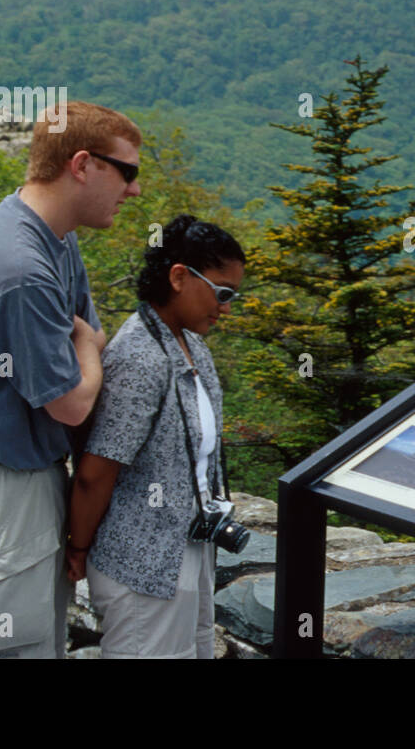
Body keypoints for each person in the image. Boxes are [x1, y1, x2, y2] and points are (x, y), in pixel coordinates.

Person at [0, 99, 143, 659]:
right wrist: (86, 348)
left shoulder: (54, 238)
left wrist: (83, 345)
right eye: (129, 172)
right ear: (82, 165)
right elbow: (72, 401)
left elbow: (84, 333)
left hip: (24, 486)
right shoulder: (19, 269)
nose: (135, 191)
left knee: (34, 649)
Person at [66, 215, 245, 659]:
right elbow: (96, 470)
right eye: (222, 293)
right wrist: (79, 548)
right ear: (180, 277)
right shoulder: (140, 357)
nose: (226, 308)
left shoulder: (189, 345)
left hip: (185, 552)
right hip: (143, 565)